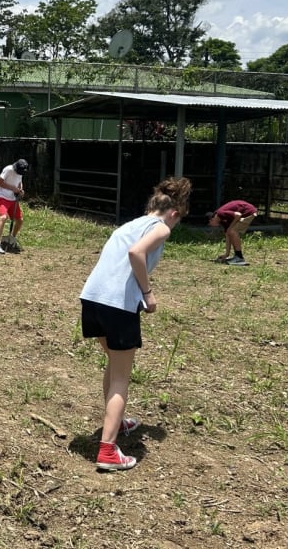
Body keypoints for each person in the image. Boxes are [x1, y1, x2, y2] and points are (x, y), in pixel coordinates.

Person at [79, 176, 192, 471]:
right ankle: (107, 451)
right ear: (174, 213)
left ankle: (116, 421)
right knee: (121, 378)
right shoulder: (160, 227)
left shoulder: (129, 225)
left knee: (114, 364)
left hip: (92, 299)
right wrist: (148, 292)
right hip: (117, 305)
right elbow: (136, 253)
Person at [0, 158, 29, 254]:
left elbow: (20, 182)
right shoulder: (8, 169)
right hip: (3, 197)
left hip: (13, 199)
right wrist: (13, 188)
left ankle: (11, 239)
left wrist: (21, 190)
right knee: (3, 218)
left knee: (20, 220)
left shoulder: (20, 172)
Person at [207, 200, 257, 266]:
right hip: (245, 212)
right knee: (230, 232)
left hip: (249, 211)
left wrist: (230, 227)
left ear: (211, 220)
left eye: (210, 224)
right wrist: (226, 254)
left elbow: (238, 215)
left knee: (232, 231)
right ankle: (237, 257)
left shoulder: (220, 214)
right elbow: (227, 235)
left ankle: (239, 258)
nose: (211, 226)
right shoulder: (221, 220)